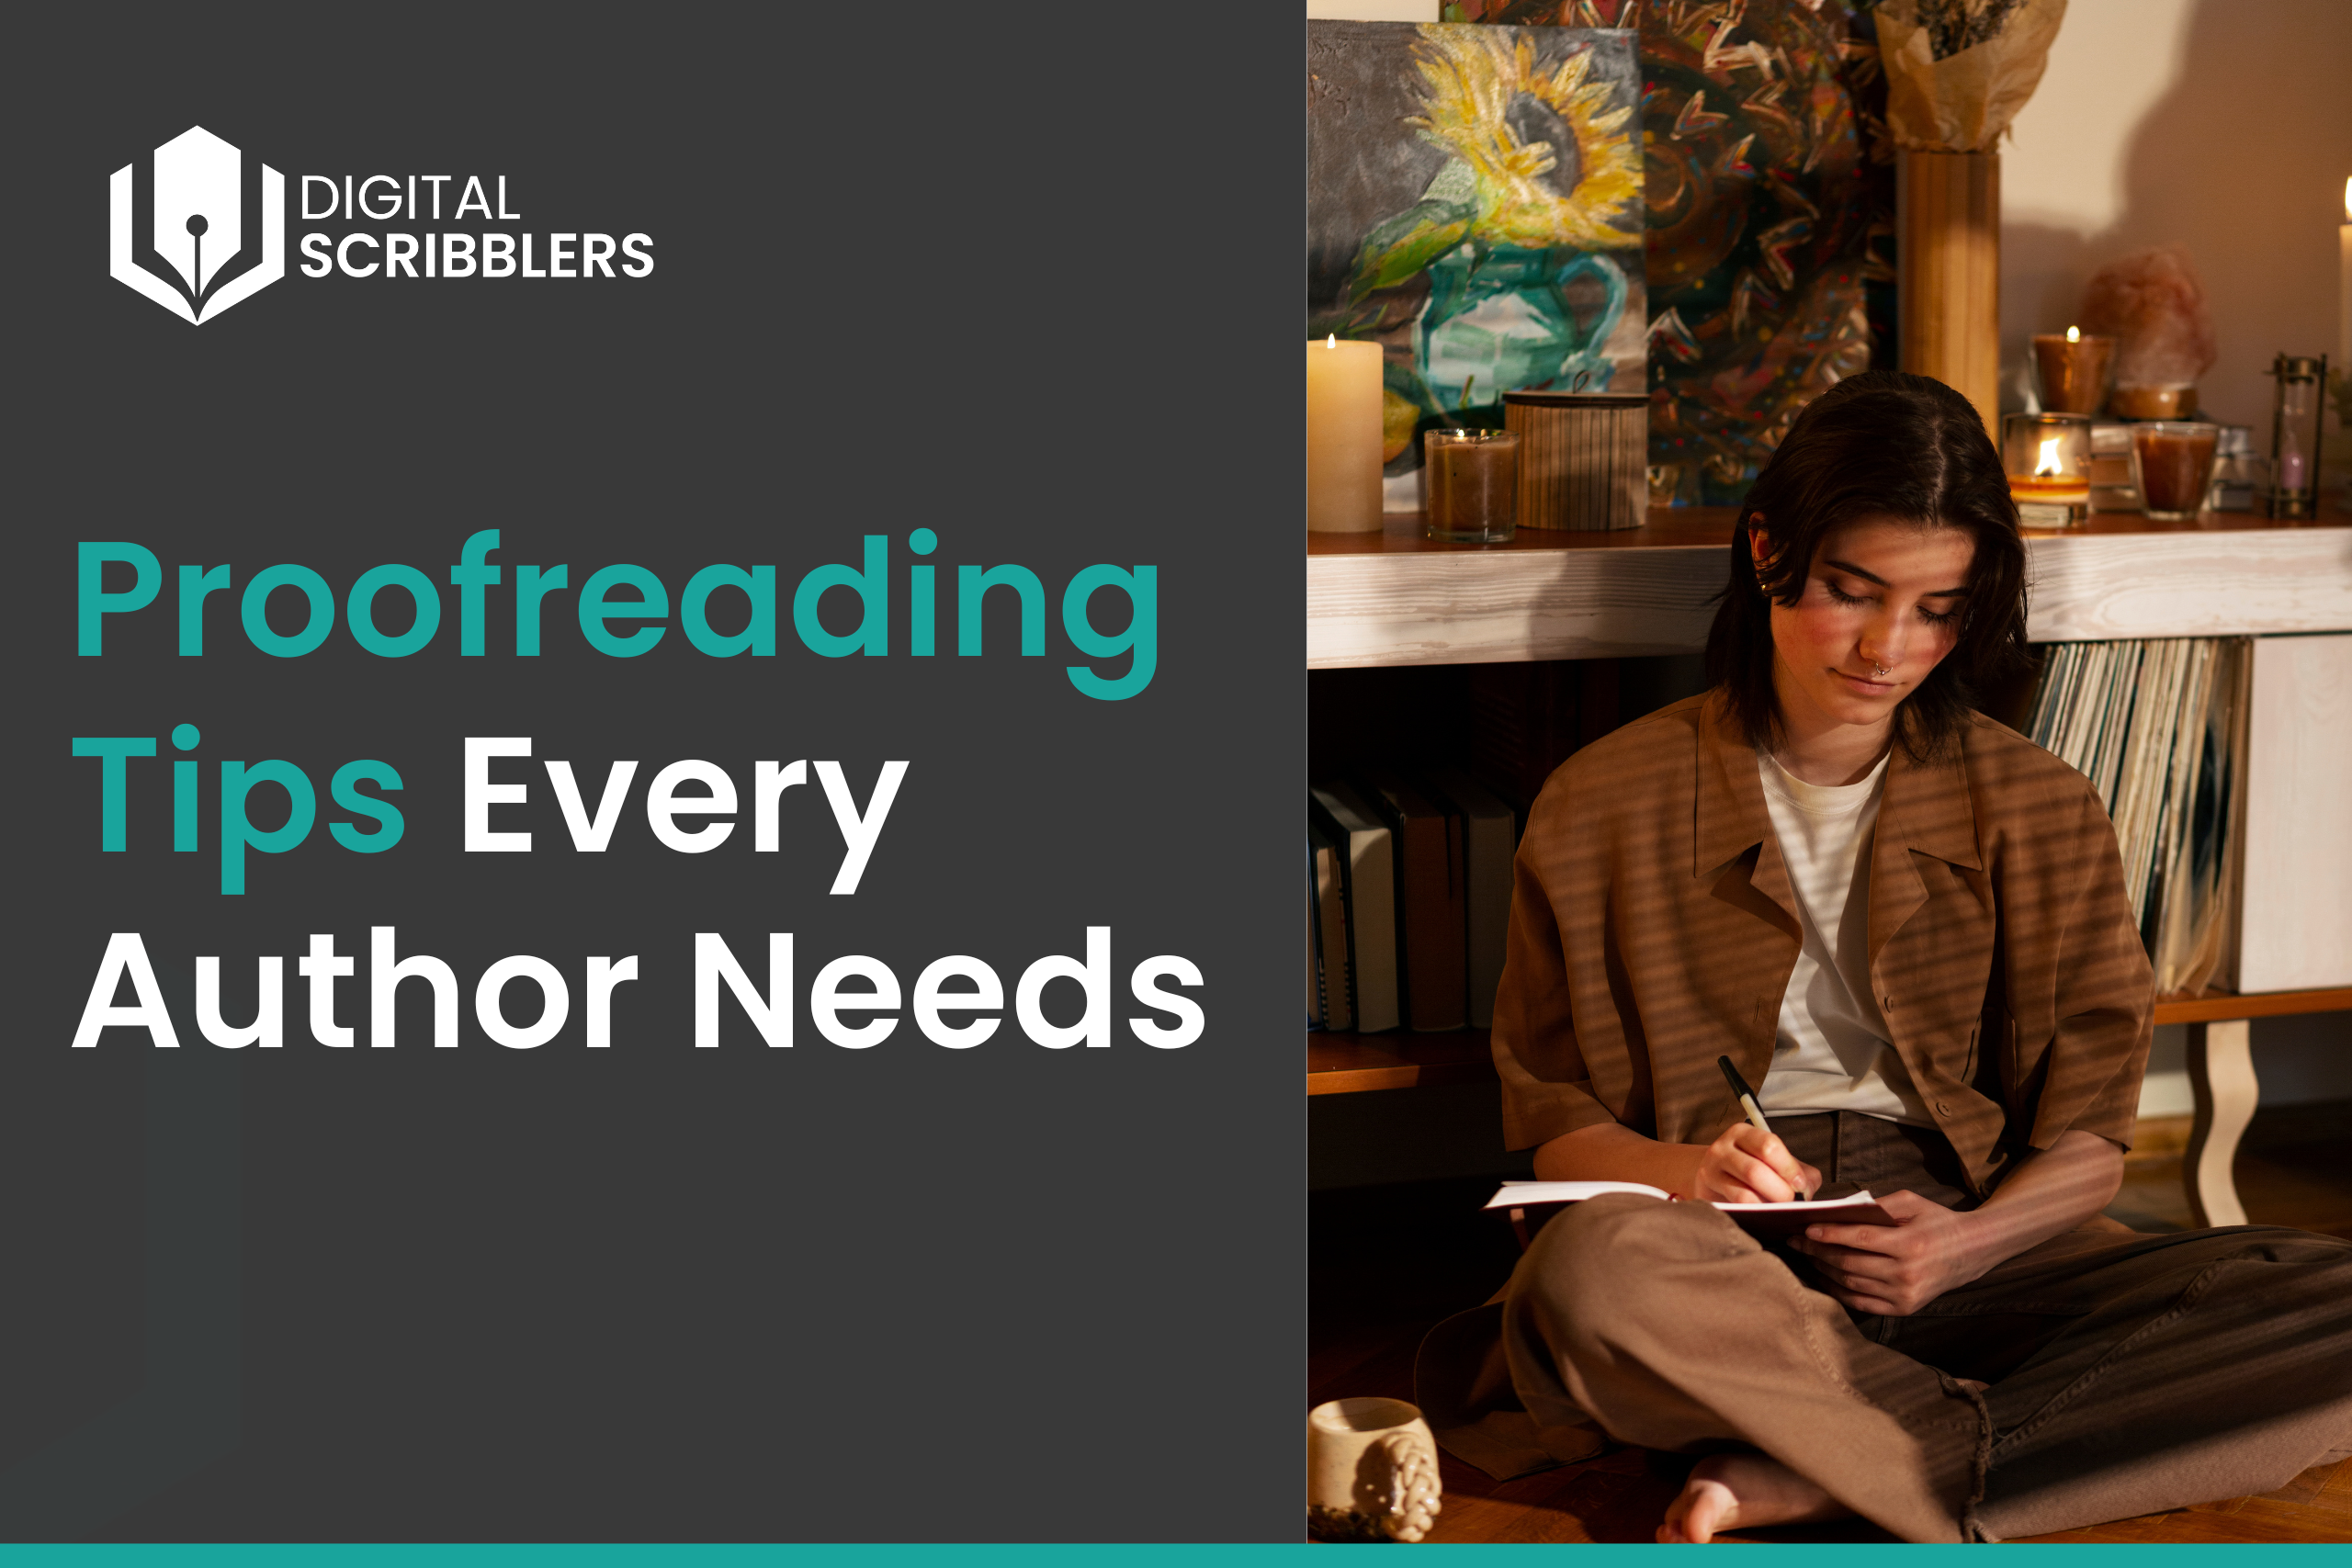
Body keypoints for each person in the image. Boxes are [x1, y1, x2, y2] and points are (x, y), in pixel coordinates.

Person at [1419, 370, 2352, 1543]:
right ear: (1768, 550)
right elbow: (1554, 1120)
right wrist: (1685, 1172)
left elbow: (2088, 1144)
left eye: (1935, 609)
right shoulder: (1602, 800)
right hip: (1716, 1251)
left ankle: (1824, 1458)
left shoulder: (2037, 803)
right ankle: (1960, 1453)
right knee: (1591, 1277)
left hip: (1968, 1228)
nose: (1886, 648)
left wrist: (1961, 1247)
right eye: (1852, 594)